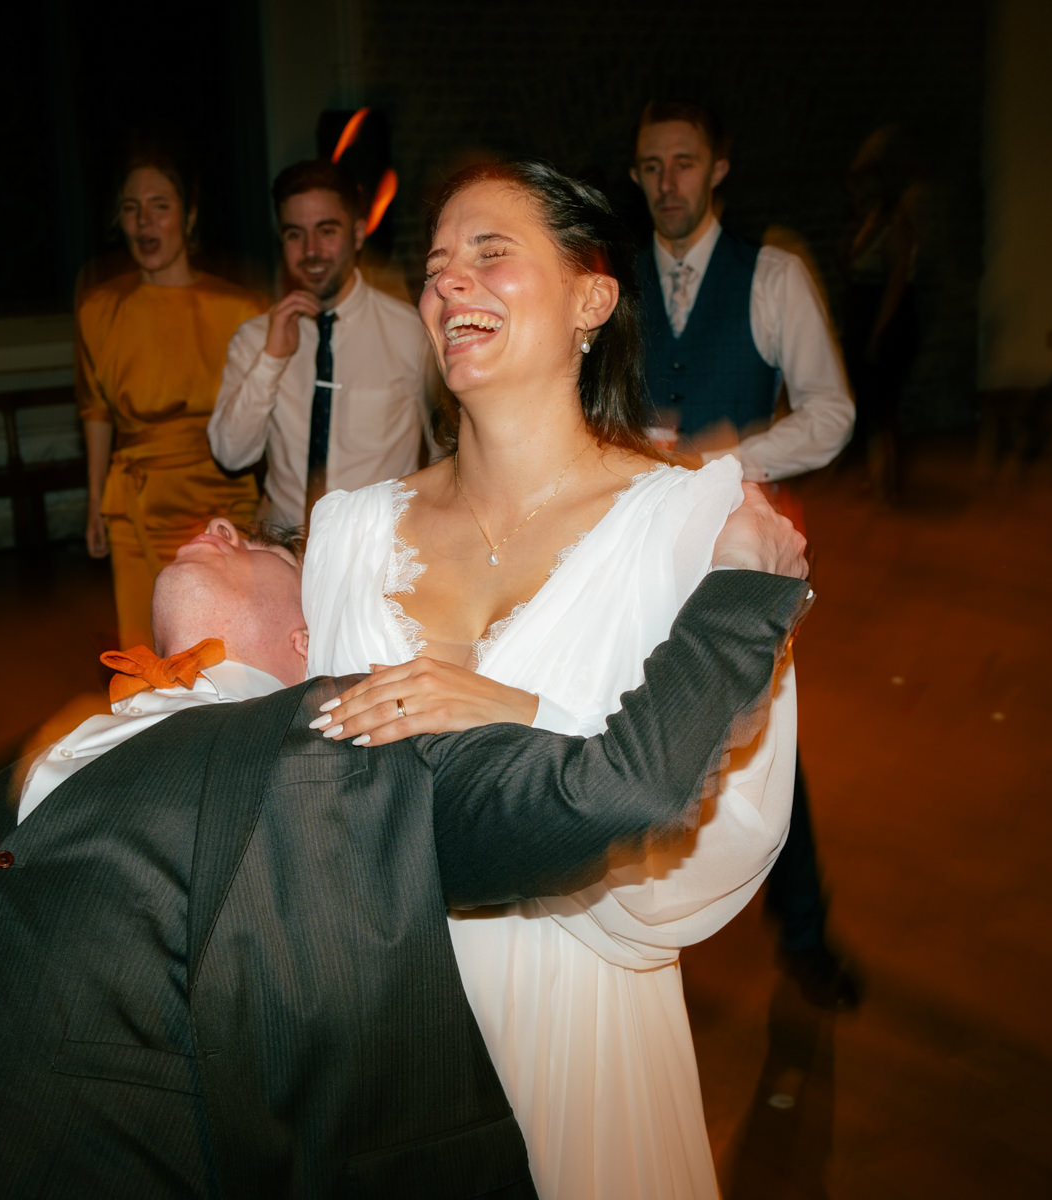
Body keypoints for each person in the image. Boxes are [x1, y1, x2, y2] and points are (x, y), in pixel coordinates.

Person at [0, 505, 812, 1199]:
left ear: (306, 642)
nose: (217, 518)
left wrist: (741, 595)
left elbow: (615, 786)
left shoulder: (335, 748)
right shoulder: (59, 732)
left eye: (256, 541)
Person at [300, 160, 799, 1200]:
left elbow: (737, 819)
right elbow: (309, 800)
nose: (451, 286)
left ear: (592, 298)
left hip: (588, 1013)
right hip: (395, 1014)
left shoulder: (696, 523)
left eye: (491, 254)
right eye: (436, 269)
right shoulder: (345, 533)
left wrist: (515, 714)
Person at [632, 100, 862, 1011]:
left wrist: (730, 459)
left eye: (683, 163)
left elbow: (831, 413)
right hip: (642, 544)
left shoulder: (771, 275)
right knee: (641, 735)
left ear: (719, 167)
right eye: (649, 166)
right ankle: (647, 942)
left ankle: (802, 930)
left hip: (739, 550)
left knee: (764, 742)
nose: (666, 185)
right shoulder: (610, 284)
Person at [77, 147, 269, 648]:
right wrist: (95, 499)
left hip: (222, 503)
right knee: (146, 655)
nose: (144, 221)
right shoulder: (99, 309)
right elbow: (96, 409)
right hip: (135, 506)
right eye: (131, 207)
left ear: (189, 215)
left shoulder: (241, 308)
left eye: (159, 205)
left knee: (225, 652)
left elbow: (269, 413)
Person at [209, 159, 435, 528]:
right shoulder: (255, 339)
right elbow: (229, 454)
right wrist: (271, 359)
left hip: (380, 555)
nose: (311, 250)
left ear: (358, 233)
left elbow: (447, 451)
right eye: (295, 234)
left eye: (326, 231)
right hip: (287, 554)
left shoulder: (410, 331)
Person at [839, 125, 921, 501]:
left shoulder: (896, 222)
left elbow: (897, 281)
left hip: (886, 318)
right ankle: (878, 479)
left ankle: (889, 484)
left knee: (884, 402)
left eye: (865, 184)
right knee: (869, 402)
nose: (858, 192)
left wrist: (879, 331)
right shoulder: (865, 223)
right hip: (861, 315)